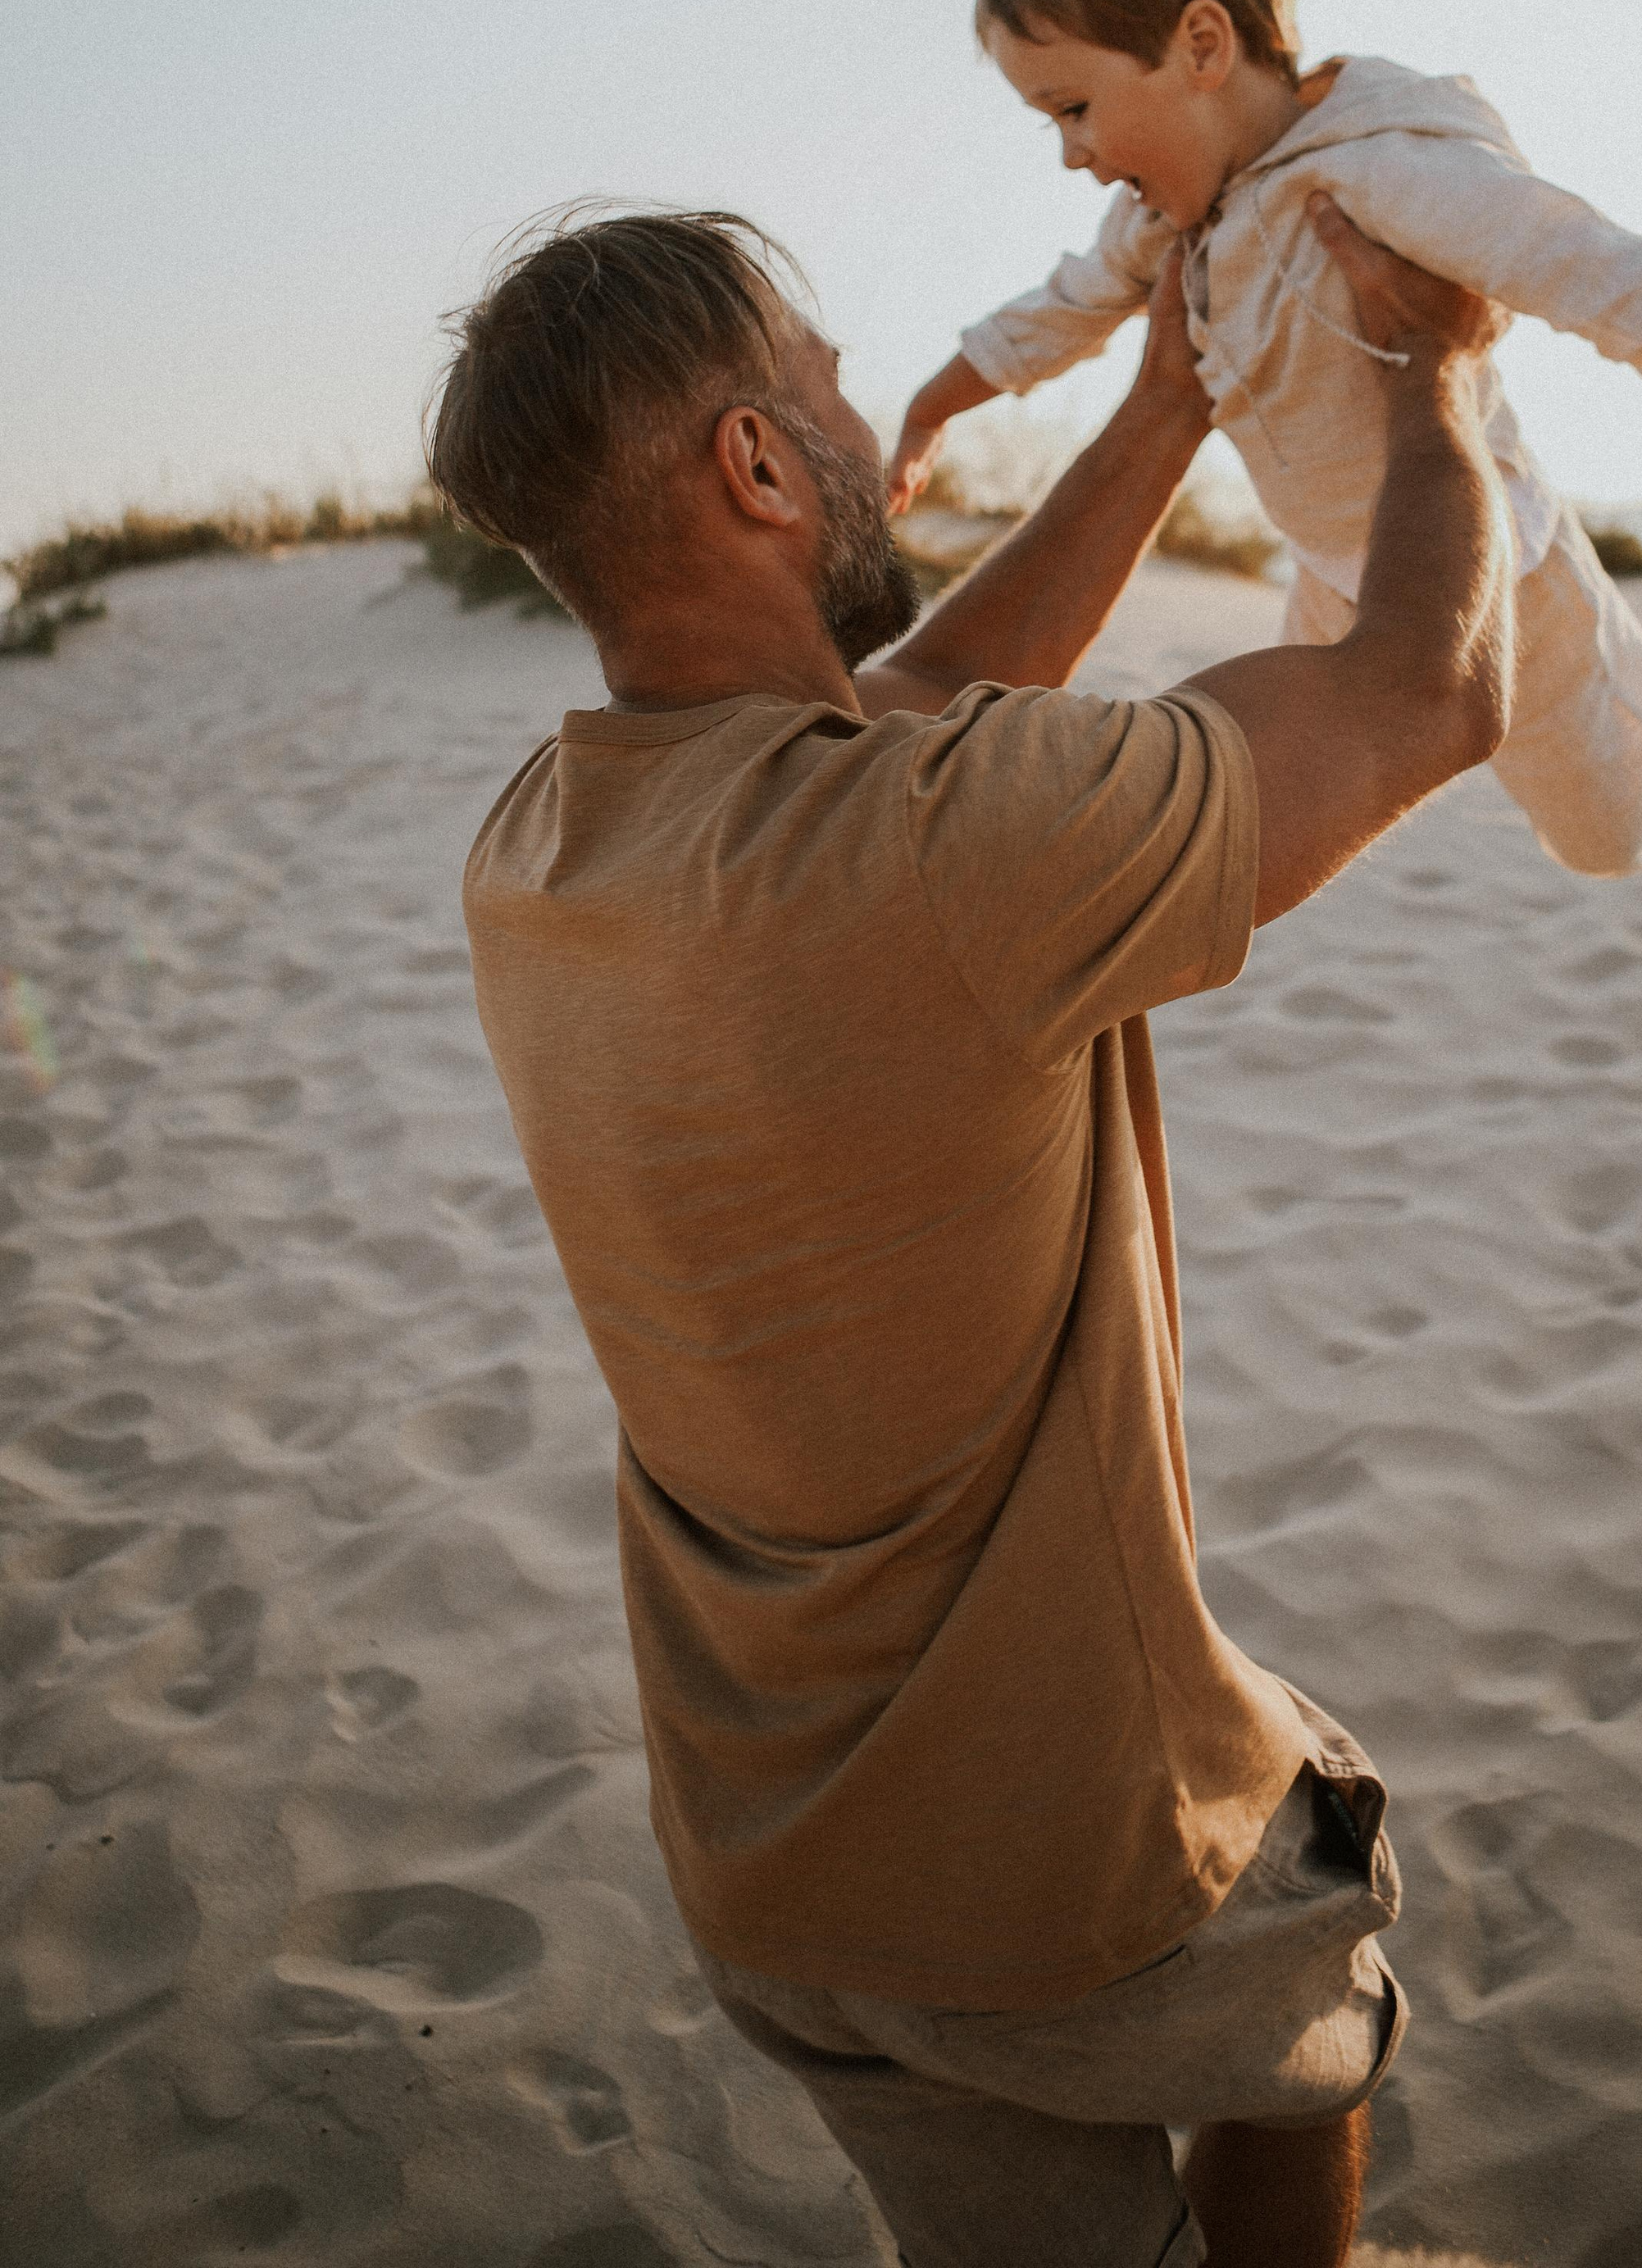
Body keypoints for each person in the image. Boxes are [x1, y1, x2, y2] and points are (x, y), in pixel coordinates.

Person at [427, 190, 1516, 2268]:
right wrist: (1436, 375)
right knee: (1308, 1998)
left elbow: (913, 686)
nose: (862, 399)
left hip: (780, 1869)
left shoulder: (544, 845)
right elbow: (1418, 696)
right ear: (758, 460)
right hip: (1079, 1872)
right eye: (821, 374)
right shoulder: (947, 849)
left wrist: (1164, 406)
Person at [889, 0, 1642, 879]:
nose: (1071, 155)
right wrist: (932, 408)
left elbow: (1566, 253)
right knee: (1293, 796)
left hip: (1497, 560)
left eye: (1073, 109)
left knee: (1606, 835)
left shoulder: (1377, 170)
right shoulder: (1159, 222)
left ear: (1200, 45)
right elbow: (1057, 310)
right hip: (1330, 573)